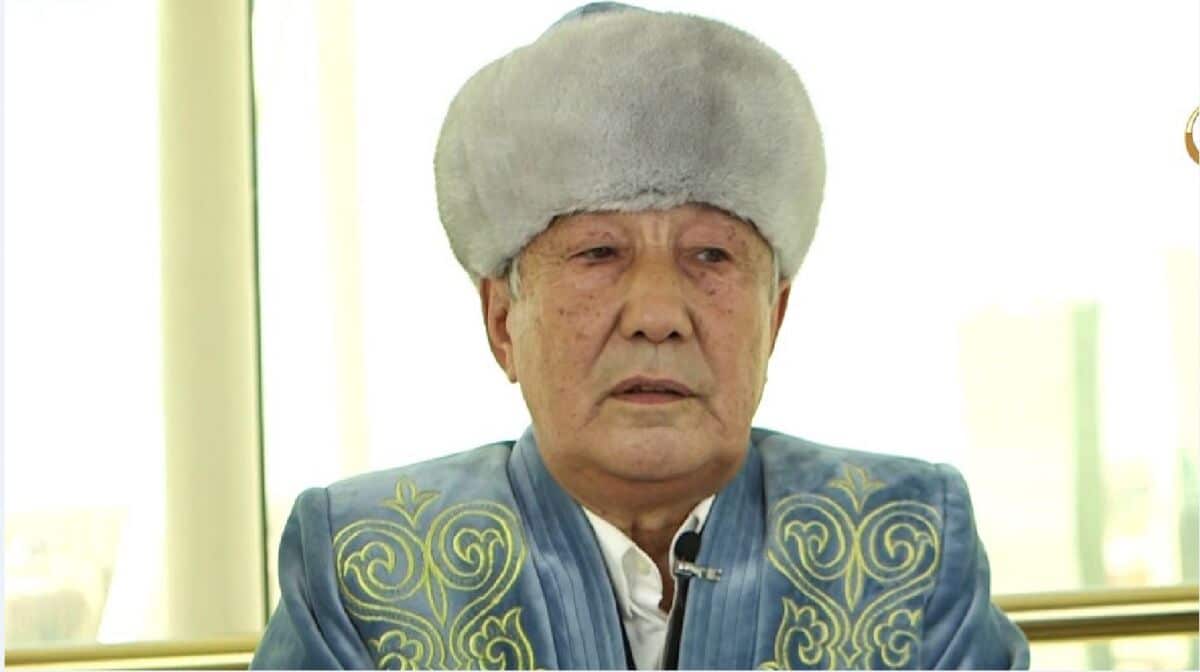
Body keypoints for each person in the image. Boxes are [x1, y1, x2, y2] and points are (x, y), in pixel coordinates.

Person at [251, 3, 1030, 669]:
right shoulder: (361, 566)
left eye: (710, 255)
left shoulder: (907, 542)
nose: (658, 314)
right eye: (598, 253)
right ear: (501, 321)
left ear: (775, 317)